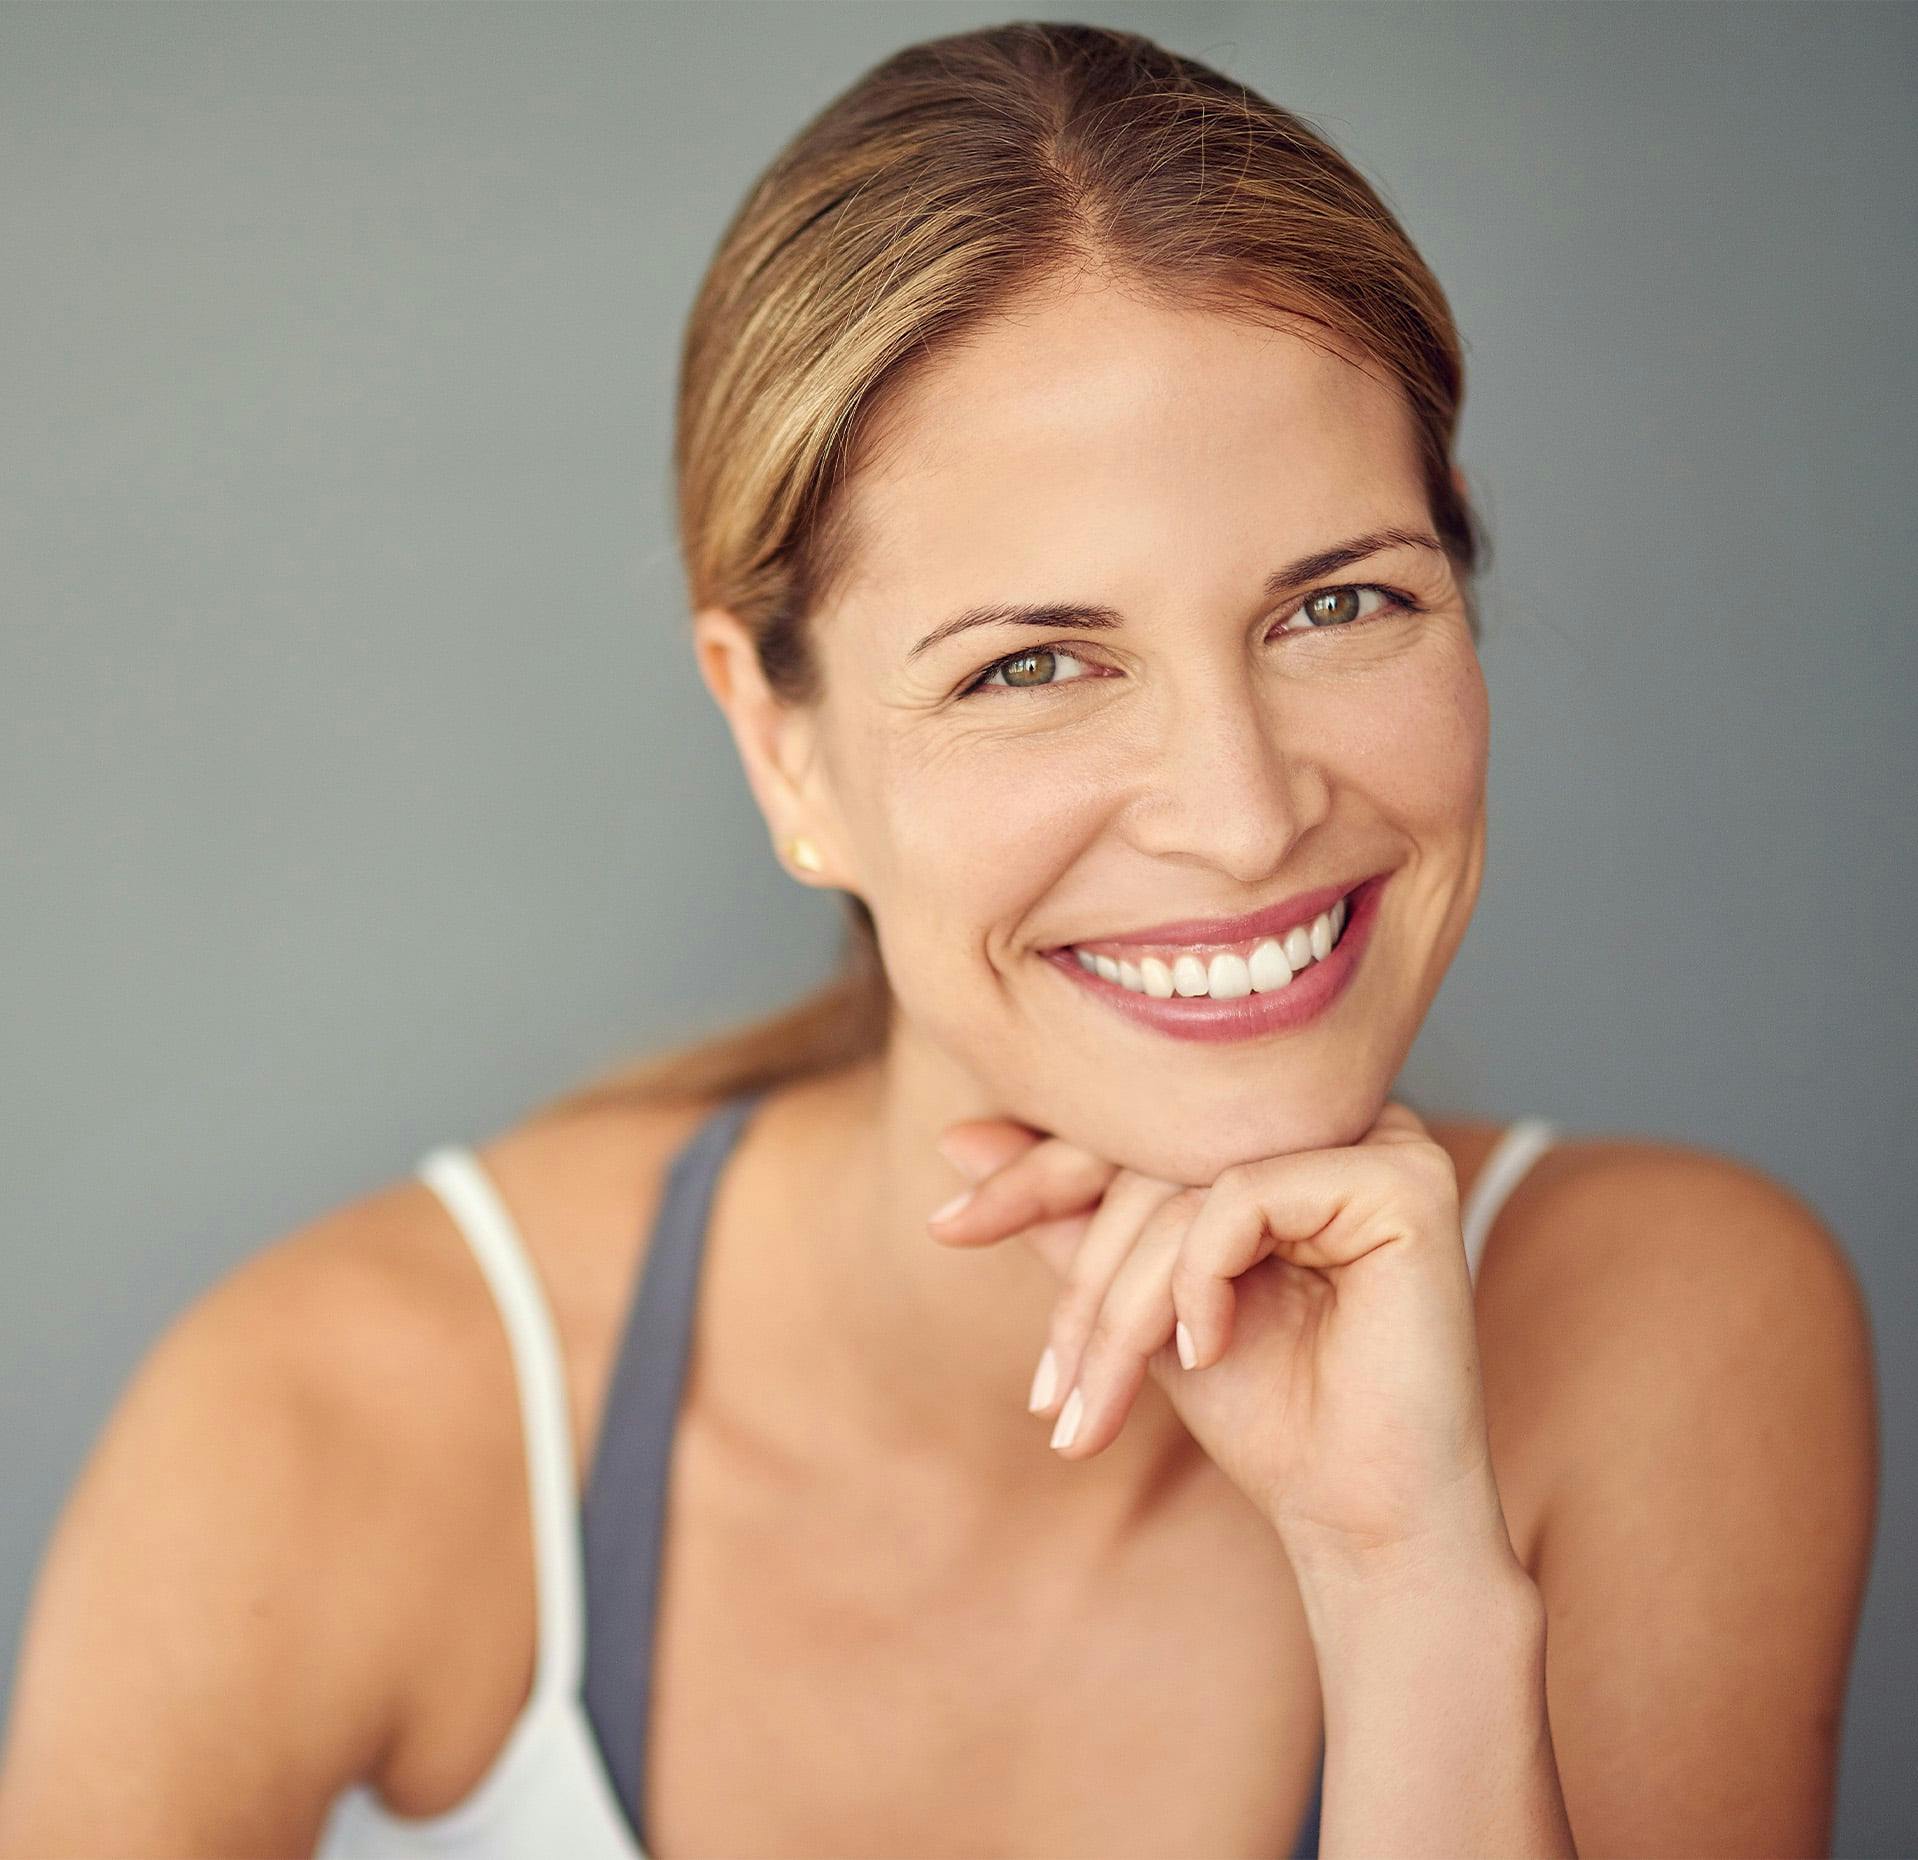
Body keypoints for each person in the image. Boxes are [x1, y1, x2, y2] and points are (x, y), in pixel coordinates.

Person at [0, 21, 1877, 1859]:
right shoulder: (338, 1414)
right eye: (1033, 665)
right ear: (780, 740)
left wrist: (1404, 1590)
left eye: (1336, 605)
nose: (1239, 812)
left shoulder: (1671, 1336)